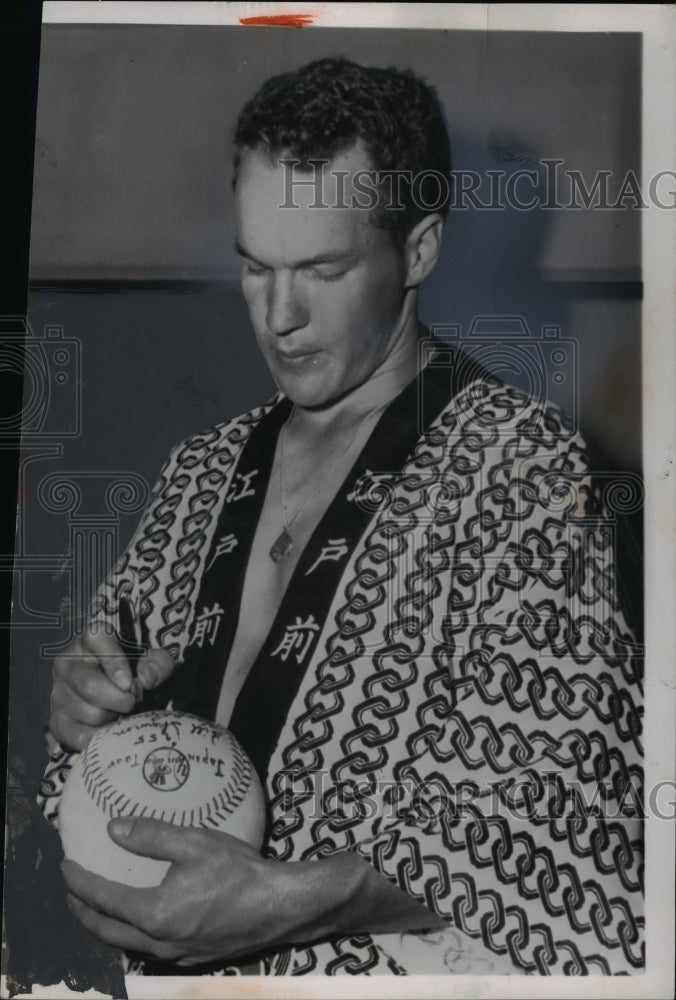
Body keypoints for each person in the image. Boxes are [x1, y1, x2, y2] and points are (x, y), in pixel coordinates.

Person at [40, 57, 644, 976]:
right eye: (254, 268)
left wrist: (290, 903)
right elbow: (109, 753)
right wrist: (89, 712)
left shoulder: (520, 469)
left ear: (420, 249)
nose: (279, 317)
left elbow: (558, 814)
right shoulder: (201, 470)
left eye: (322, 269)